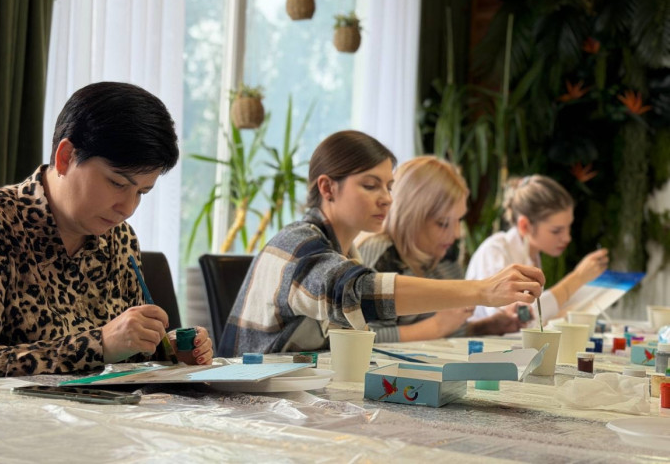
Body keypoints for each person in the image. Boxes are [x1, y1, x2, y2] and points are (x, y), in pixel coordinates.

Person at [218, 131, 544, 357]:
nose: (387, 199)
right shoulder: (299, 246)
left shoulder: (345, 253)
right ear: (328, 188)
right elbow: (357, 293)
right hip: (246, 403)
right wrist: (482, 290)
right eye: (371, 185)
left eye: (389, 187)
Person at [0, 82, 214, 377]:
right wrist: (98, 345)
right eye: (117, 183)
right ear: (66, 157)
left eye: (141, 192)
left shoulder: (120, 238)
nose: (128, 208)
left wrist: (167, 348)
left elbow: (127, 354)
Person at [358, 156, 525, 343]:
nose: (457, 234)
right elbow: (360, 339)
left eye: (459, 220)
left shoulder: (443, 254)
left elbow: (448, 333)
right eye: (443, 223)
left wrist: (488, 326)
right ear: (410, 218)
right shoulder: (381, 255)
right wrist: (437, 326)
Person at [466, 175, 609, 324]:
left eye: (569, 227)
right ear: (525, 226)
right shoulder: (494, 252)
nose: (567, 238)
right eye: (556, 231)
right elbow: (513, 320)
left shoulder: (533, 256)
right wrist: (577, 278)